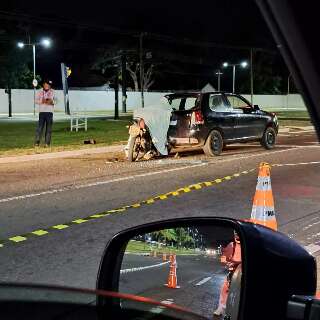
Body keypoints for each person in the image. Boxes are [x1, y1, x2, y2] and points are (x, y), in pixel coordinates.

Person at [214, 232, 242, 317]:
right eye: (235, 233)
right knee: (225, 288)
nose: (236, 235)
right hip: (233, 272)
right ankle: (221, 308)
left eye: (238, 233)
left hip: (242, 271)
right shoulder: (231, 245)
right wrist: (225, 261)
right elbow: (224, 258)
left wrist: (235, 263)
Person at [34, 80, 55, 147]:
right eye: (46, 84)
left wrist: (52, 102)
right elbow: (36, 100)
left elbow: (57, 100)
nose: (47, 86)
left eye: (48, 85)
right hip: (42, 112)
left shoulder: (53, 91)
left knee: (49, 129)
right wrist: (42, 101)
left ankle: (47, 143)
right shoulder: (40, 91)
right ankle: (37, 142)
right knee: (40, 128)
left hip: (49, 112)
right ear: (43, 84)